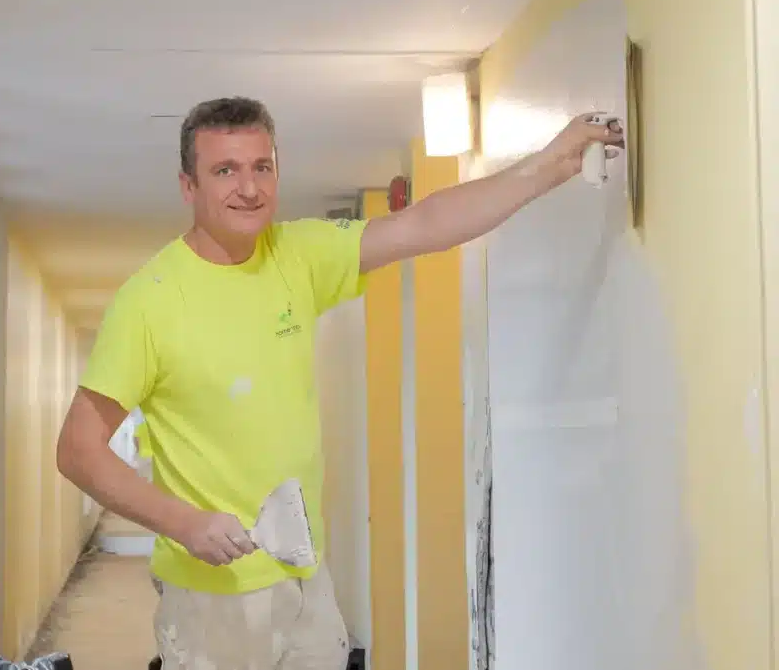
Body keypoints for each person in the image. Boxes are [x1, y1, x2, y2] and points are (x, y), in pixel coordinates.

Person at [56, 97, 624, 669]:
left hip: (306, 579)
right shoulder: (150, 302)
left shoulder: (296, 255)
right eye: (225, 170)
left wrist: (553, 163)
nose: (249, 188)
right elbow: (78, 450)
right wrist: (184, 523)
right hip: (213, 599)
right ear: (188, 186)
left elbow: (425, 224)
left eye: (262, 167)